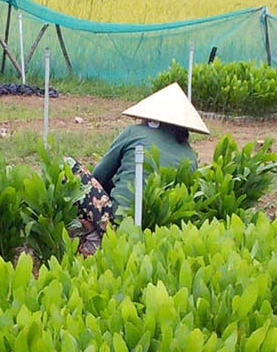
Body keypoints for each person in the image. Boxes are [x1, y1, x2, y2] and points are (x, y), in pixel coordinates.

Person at [70, 82, 209, 254]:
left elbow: (99, 176)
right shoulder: (190, 154)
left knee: (70, 167)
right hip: (156, 230)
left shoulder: (134, 133)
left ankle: (92, 235)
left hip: (116, 222)